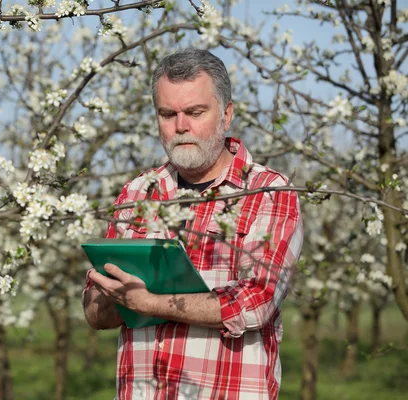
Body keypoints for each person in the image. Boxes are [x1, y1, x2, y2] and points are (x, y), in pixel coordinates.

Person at [82, 48, 303, 399]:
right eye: (167, 114)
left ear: (226, 114)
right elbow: (95, 314)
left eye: (195, 112)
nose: (180, 126)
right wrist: (105, 295)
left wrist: (148, 303)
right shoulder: (138, 193)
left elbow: (256, 300)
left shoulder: (267, 192)